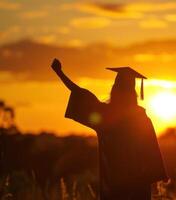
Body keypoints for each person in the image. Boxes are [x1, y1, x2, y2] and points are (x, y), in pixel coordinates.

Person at [51, 58, 168, 200]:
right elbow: (151, 152)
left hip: (114, 184)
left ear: (114, 89)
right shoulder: (141, 119)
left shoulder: (106, 116)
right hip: (138, 186)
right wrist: (156, 176)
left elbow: (82, 95)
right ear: (133, 92)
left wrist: (60, 73)